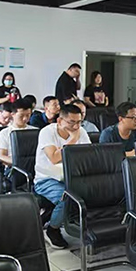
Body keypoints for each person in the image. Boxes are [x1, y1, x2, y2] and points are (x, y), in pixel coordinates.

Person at [34, 104, 91, 248]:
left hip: (73, 177)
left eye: (79, 122)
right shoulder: (47, 132)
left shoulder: (81, 131)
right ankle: (52, 229)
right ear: (59, 121)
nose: (76, 126)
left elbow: (88, 156)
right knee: (67, 198)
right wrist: (73, 139)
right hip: (47, 179)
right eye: (72, 122)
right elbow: (54, 158)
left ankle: (89, 229)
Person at [0, 99, 35, 167]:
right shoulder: (4, 133)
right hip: (14, 167)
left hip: (35, 167)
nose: (25, 118)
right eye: (21, 116)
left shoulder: (35, 131)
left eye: (28, 115)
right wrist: (19, 162)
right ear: (13, 114)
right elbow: (0, 156)